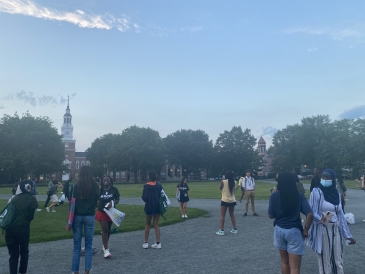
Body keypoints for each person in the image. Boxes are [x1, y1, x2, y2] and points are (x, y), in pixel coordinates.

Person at [306, 168, 356, 274]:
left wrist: (347, 235)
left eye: (328, 177)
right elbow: (312, 211)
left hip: (335, 229)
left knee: (338, 259)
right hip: (323, 229)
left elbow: (341, 215)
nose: (325, 179)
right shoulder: (316, 192)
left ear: (333, 179)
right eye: (323, 177)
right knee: (326, 260)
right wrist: (320, 219)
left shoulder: (336, 194)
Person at [268, 172, 313, 274]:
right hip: (294, 230)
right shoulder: (299, 196)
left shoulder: (274, 196)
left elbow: (270, 215)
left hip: (279, 229)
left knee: (284, 262)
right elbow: (310, 214)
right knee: (294, 267)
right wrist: (306, 229)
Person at [5, 180, 38, 274]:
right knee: (24, 252)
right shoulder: (32, 199)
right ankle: (22, 271)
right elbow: (30, 216)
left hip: (9, 229)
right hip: (23, 228)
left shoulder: (13, 198)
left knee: (13, 254)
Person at [71, 166, 99, 274]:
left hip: (77, 215)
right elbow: (97, 202)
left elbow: (72, 201)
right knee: (88, 245)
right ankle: (87, 270)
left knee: (76, 245)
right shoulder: (95, 186)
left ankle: (75, 271)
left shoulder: (75, 186)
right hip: (89, 215)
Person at [95, 175, 120, 258]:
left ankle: (104, 245)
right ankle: (106, 250)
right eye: (104, 179)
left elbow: (117, 199)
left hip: (111, 212)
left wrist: (112, 202)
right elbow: (97, 201)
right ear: (102, 181)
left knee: (108, 230)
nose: (106, 180)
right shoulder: (99, 190)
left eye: (107, 179)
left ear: (110, 181)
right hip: (101, 211)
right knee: (105, 229)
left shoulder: (114, 189)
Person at [142, 170, 162, 249]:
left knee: (147, 224)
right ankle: (158, 242)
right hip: (158, 206)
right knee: (156, 224)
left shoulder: (146, 186)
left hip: (149, 206)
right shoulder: (159, 185)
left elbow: (145, 198)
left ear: (149, 176)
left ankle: (146, 242)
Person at [216, 170, 238, 235]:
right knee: (232, 215)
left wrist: (221, 181)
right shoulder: (234, 182)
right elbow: (234, 190)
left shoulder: (224, 181)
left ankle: (222, 230)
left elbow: (220, 188)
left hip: (225, 200)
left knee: (222, 215)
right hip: (232, 200)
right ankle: (234, 229)